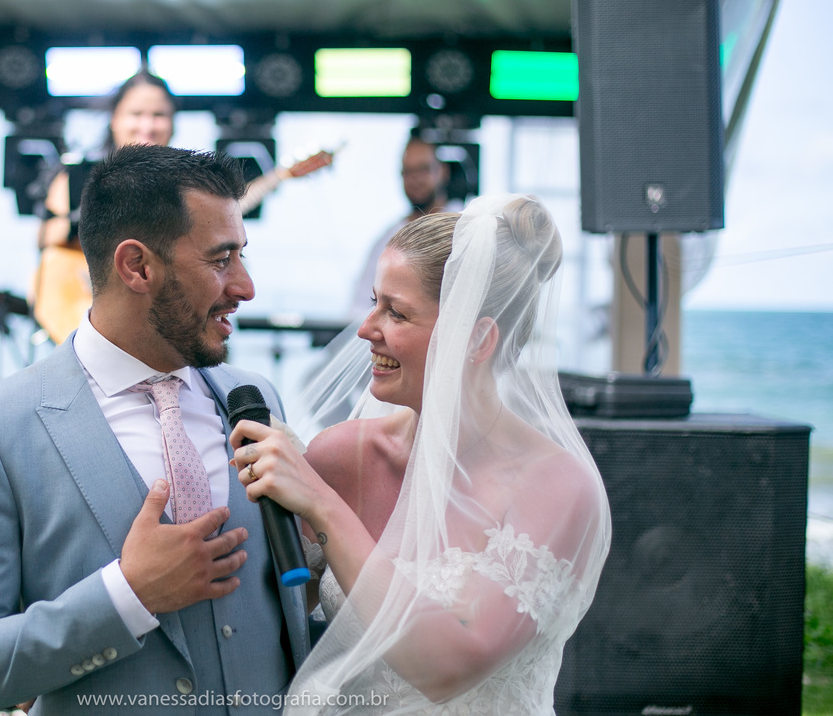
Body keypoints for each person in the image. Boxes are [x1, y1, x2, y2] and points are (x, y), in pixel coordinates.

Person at [0, 145, 310, 716]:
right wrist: (128, 595)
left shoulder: (255, 401)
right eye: (221, 260)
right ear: (137, 267)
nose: (246, 288)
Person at [231, 195, 611, 714]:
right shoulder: (343, 456)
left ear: (477, 338)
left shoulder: (558, 488)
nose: (366, 329)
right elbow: (264, 622)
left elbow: (448, 667)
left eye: (397, 313)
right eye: (374, 302)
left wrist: (323, 506)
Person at [31, 70, 177, 344]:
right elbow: (49, 247)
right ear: (115, 119)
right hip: (86, 314)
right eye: (136, 114)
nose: (148, 125)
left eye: (158, 115)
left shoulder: (189, 186)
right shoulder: (78, 176)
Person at [349, 130, 452, 313]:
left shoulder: (464, 228)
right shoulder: (389, 238)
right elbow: (359, 306)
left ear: (442, 171)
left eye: (423, 170)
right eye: (408, 172)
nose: (415, 180)